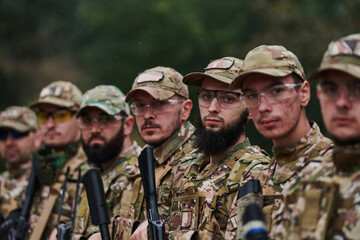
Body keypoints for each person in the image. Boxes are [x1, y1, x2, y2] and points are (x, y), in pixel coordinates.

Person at [226, 45, 333, 239]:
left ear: (304, 93)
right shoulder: (254, 183)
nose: (264, 106)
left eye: (276, 91)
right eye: (251, 96)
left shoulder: (340, 169)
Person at [168, 57, 270, 239]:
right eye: (206, 97)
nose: (213, 108)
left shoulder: (256, 173)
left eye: (228, 99)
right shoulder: (186, 168)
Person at [270, 33, 360, 239]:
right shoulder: (307, 181)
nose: (342, 102)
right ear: (320, 96)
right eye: (331, 89)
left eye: (357, 89)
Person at [107, 66, 195, 240]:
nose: (148, 115)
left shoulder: (202, 163)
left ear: (185, 109)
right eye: (140, 105)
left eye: (160, 104)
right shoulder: (136, 168)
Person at [48, 85, 141, 239]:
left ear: (127, 125)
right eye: (87, 120)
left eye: (105, 119)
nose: (95, 129)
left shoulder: (140, 173)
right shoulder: (83, 171)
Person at [28, 81, 87, 239]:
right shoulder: (40, 165)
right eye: (43, 116)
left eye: (61, 115)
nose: (50, 124)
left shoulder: (92, 166)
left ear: (80, 118)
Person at [0, 106, 41, 217]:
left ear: (37, 138)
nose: (8, 142)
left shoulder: (50, 183)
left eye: (16, 133)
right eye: (2, 135)